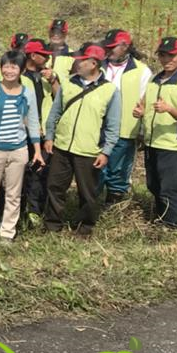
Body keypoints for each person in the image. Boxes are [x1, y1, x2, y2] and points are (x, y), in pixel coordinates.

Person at [43, 43, 121, 238]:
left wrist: (106, 151)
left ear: (93, 63)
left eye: (81, 60)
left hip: (88, 149)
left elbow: (113, 125)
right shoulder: (68, 83)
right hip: (62, 146)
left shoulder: (110, 90)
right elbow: (55, 112)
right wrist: (50, 136)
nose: (77, 63)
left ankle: (84, 227)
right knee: (55, 187)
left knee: (87, 192)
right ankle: (52, 225)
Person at [0, 51, 44, 245]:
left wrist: (37, 150)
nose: (9, 70)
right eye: (6, 66)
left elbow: (32, 122)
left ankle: (7, 232)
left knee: (13, 194)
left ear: (21, 70)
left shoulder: (27, 92)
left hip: (18, 149)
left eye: (14, 66)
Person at [135, 37, 177, 231]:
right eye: (163, 55)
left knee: (169, 188)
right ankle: (160, 217)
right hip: (153, 141)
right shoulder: (155, 79)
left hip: (172, 143)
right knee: (153, 185)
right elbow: (146, 105)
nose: (167, 59)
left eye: (172, 55)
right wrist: (140, 111)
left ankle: (171, 225)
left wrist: (169, 109)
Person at [98, 30, 152, 205]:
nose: (109, 49)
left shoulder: (142, 71)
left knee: (118, 171)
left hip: (125, 129)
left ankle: (112, 207)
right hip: (97, 128)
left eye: (113, 46)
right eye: (107, 46)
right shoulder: (98, 66)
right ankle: (91, 206)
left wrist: (143, 130)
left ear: (125, 46)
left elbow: (146, 102)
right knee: (95, 170)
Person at [20, 38, 56, 228]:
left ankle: (35, 211)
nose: (48, 58)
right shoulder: (20, 77)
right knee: (22, 174)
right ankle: (21, 211)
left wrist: (54, 80)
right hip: (24, 133)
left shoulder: (46, 78)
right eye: (44, 55)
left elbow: (58, 100)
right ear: (33, 56)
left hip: (44, 135)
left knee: (40, 174)